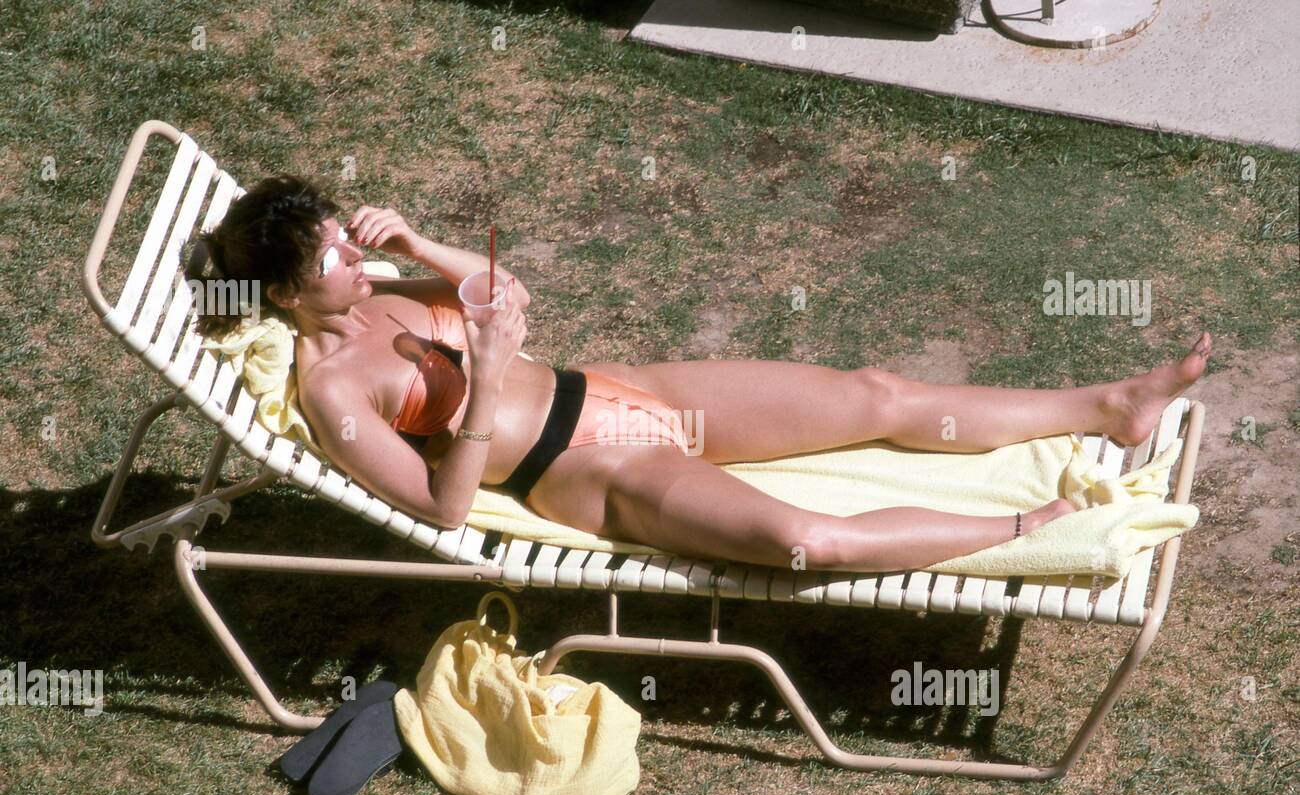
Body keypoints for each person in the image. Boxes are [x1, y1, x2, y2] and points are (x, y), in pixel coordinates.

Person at [198, 174, 1212, 575]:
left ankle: (1108, 405)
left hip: (623, 391)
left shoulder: (376, 290)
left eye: (340, 234)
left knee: (873, 394)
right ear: (285, 296)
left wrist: (421, 246)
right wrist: (482, 392)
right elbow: (443, 509)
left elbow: (507, 291)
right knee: (802, 542)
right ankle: (1029, 527)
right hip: (591, 467)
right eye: (328, 255)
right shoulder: (335, 394)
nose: (348, 254)